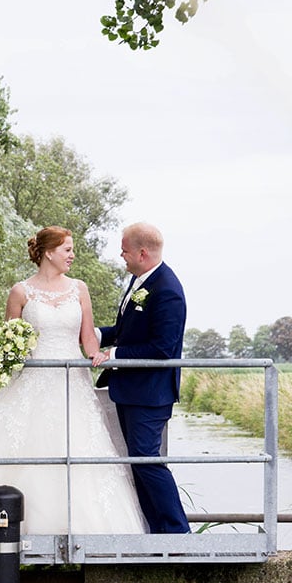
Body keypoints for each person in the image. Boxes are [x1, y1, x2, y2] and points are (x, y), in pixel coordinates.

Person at [0, 226, 145, 536]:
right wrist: (10, 350)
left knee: (75, 451)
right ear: (49, 252)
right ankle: (3, 532)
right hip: (31, 381)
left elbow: (87, 337)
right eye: (67, 250)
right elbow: (9, 340)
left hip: (69, 383)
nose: (72, 255)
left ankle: (79, 533)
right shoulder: (20, 292)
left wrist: (98, 355)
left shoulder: (79, 289)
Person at [93, 222, 191, 534]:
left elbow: (162, 348)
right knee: (139, 462)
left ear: (142, 252)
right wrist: (92, 335)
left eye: (124, 249)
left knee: (148, 462)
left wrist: (114, 355)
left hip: (150, 393)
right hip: (131, 390)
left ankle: (178, 533)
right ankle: (157, 532)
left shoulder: (167, 291)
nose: (121, 255)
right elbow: (124, 331)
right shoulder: (141, 280)